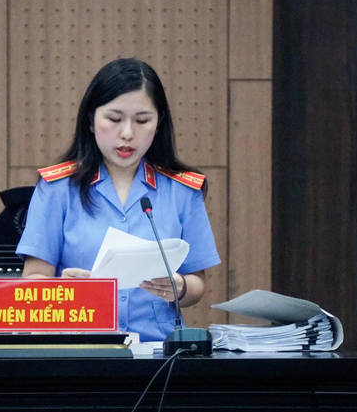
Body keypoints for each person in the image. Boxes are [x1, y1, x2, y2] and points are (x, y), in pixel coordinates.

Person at [15, 58, 220, 342]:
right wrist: (62, 290)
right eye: (114, 119)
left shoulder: (182, 190)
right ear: (90, 120)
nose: (127, 133)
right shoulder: (57, 188)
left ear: (159, 122)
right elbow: (32, 281)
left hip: (157, 351)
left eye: (142, 121)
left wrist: (180, 287)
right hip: (80, 350)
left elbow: (197, 283)